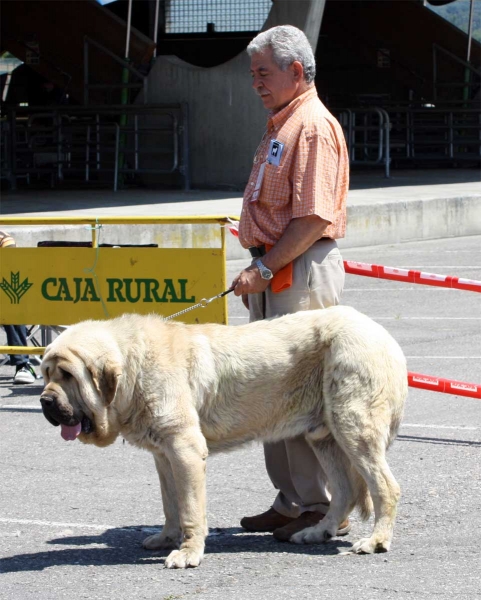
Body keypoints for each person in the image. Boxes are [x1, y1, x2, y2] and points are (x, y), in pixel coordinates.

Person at [231, 25, 350, 542]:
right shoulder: (284, 120)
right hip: (275, 268)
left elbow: (312, 218)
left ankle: (318, 502)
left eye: (262, 73)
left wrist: (261, 267)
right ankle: (291, 498)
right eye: (252, 73)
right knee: (272, 389)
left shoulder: (313, 126)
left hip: (295, 268)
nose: (254, 83)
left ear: (296, 72)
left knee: (301, 393)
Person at [1, 230, 38, 384]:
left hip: (6, 297)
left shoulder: (3, 238)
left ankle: (23, 365)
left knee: (11, 305)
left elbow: (11, 268)